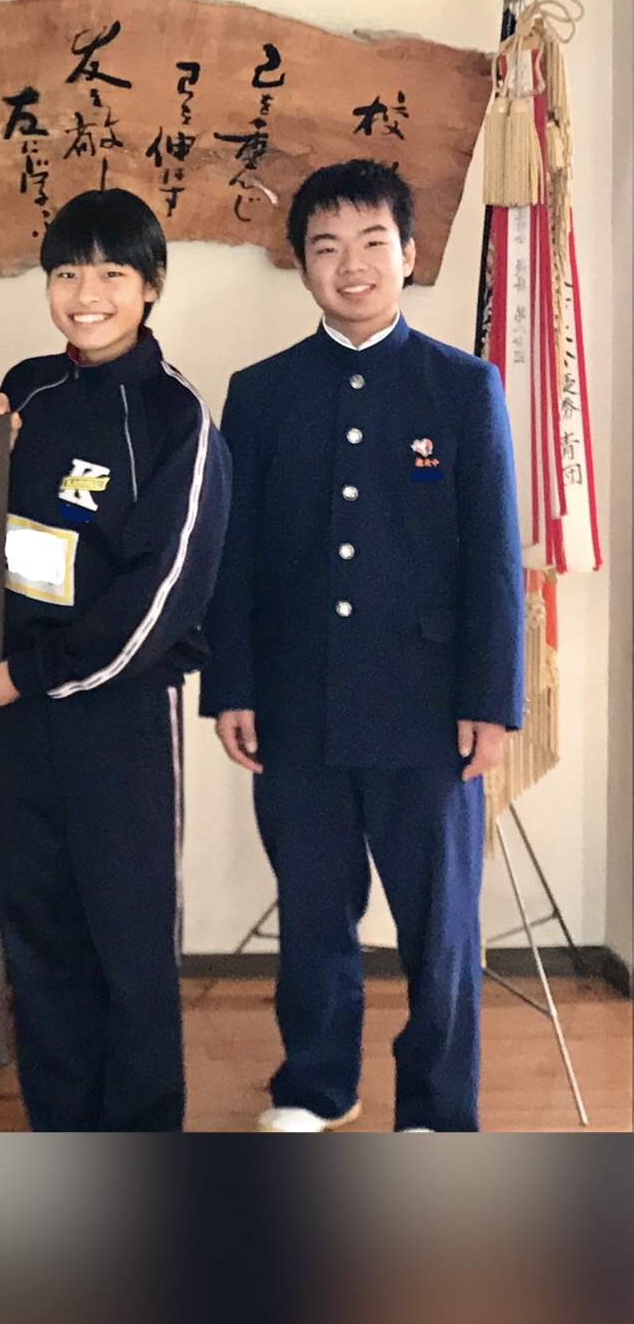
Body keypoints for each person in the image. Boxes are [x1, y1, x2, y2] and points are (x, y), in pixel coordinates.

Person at [200, 158, 524, 1133]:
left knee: (439, 923)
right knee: (311, 911)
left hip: (427, 708)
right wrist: (232, 685)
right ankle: (314, 1086)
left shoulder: (461, 386)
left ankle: (435, 1107)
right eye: (327, 247)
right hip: (294, 702)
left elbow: (492, 557)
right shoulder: (260, 393)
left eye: (372, 242)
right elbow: (235, 557)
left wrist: (490, 700)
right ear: (300, 264)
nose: (351, 265)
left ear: (408, 254)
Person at [0, 188, 231, 1131]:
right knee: (38, 936)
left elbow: (161, 598)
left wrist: (31, 674)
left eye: (112, 272)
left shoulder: (176, 417)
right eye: (67, 272)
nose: (86, 294)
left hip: (119, 720)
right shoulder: (26, 388)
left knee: (128, 945)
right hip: (21, 712)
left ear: (151, 285)